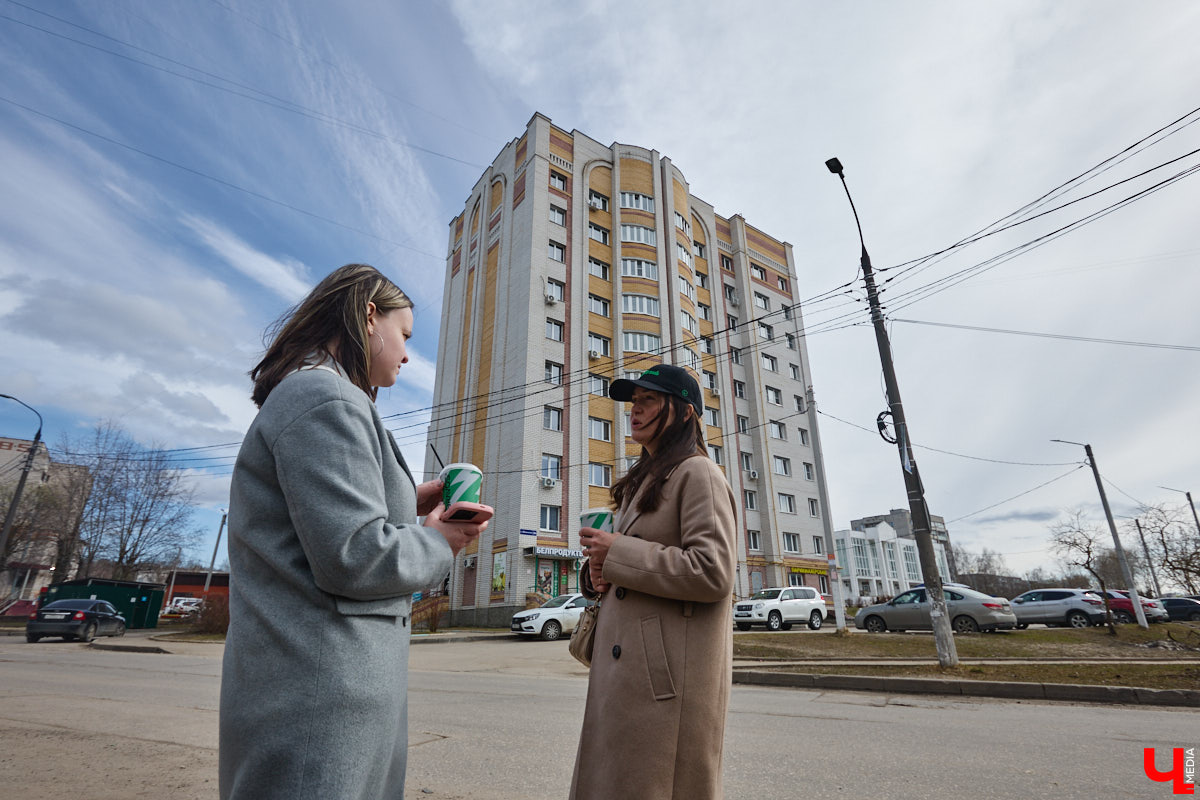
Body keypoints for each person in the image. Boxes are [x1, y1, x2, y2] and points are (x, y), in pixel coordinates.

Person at [219, 264, 487, 800]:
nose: (408, 354)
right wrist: (441, 541)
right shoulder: (327, 398)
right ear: (369, 316)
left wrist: (409, 503)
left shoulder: (322, 394)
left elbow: (316, 522)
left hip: (321, 687)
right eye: (405, 334)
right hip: (320, 697)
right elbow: (354, 554)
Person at [571, 364, 737, 800]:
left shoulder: (699, 473)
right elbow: (632, 572)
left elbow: (713, 570)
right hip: (626, 678)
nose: (634, 410)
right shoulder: (644, 482)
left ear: (683, 412)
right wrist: (597, 572)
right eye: (633, 402)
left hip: (665, 688)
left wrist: (618, 554)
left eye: (647, 400)